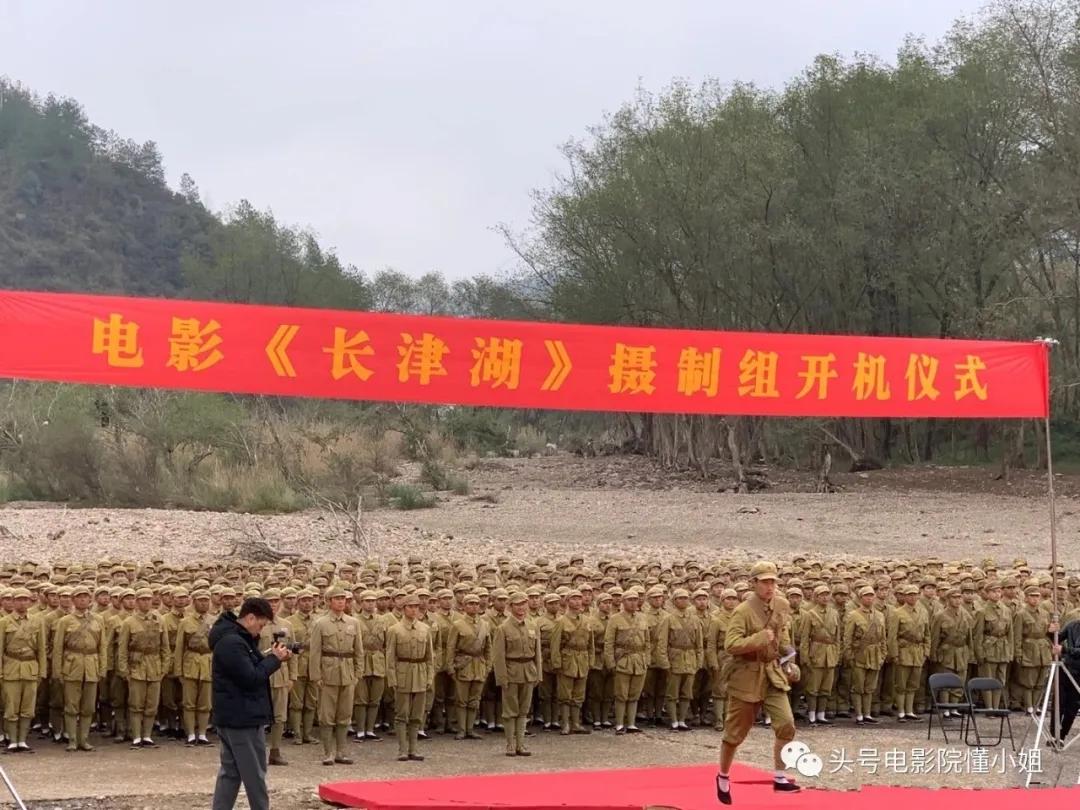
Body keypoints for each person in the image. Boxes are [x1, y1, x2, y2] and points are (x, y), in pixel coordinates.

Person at [716, 561, 800, 805]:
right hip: (747, 675)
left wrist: (788, 659)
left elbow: (783, 637)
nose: (770, 586)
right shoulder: (742, 611)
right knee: (735, 733)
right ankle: (723, 776)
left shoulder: (781, 605)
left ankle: (780, 777)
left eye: (773, 581)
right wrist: (758, 638)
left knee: (786, 724)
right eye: (764, 581)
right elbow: (731, 644)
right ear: (754, 583)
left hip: (772, 673)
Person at [209, 597, 292, 810]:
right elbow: (250, 677)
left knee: (231, 773)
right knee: (254, 775)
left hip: (235, 716)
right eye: (261, 625)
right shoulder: (232, 642)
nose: (261, 631)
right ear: (250, 617)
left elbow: (247, 668)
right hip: (241, 718)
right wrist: (274, 660)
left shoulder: (236, 639)